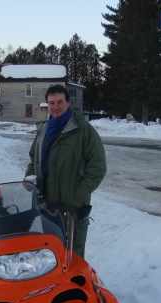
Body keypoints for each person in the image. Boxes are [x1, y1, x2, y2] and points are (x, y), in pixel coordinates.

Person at [24, 85, 106, 258]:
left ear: (68, 103)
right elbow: (34, 158)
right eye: (52, 102)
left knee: (72, 257)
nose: (56, 107)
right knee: (52, 254)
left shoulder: (83, 130)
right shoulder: (43, 130)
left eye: (60, 102)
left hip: (73, 210)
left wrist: (77, 194)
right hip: (47, 205)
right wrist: (30, 176)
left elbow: (97, 167)